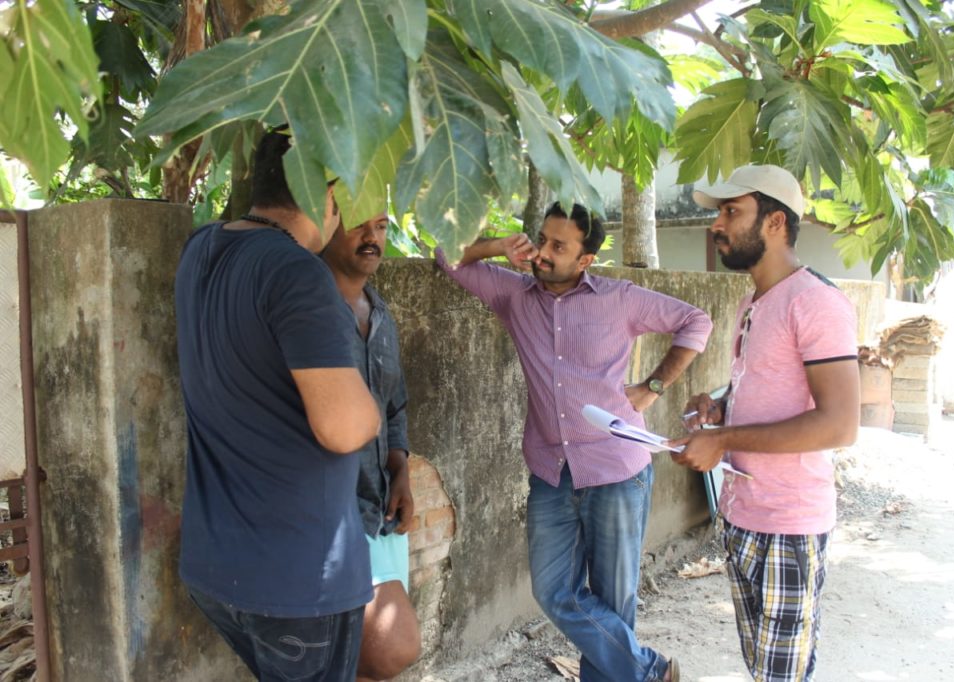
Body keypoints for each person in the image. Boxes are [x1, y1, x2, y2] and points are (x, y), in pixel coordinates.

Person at [436, 202, 713, 682]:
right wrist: (499, 246)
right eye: (541, 239)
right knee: (553, 591)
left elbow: (697, 322)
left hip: (617, 471)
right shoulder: (514, 295)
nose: (542, 252)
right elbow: (447, 256)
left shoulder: (619, 298)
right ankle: (651, 672)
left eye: (557, 246)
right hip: (551, 472)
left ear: (585, 260)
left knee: (612, 601)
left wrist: (652, 387)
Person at [175, 129, 381, 682]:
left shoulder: (202, 249)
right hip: (297, 576)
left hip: (215, 564)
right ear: (325, 194)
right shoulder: (297, 272)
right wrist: (372, 411)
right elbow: (345, 427)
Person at [670, 165, 860, 681]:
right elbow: (770, 391)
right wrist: (718, 409)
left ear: (775, 223)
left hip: (790, 524)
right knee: (761, 666)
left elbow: (840, 423)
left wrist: (725, 438)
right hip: (744, 514)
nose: (717, 224)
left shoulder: (817, 303)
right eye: (719, 213)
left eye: (732, 211)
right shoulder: (755, 301)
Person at [321, 211, 422, 681]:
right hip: (328, 513)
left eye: (381, 226)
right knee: (390, 648)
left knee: (364, 664)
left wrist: (399, 472)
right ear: (326, 223)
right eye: (359, 224)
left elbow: (393, 407)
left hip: (377, 510)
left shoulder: (380, 314)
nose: (372, 237)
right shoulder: (308, 309)